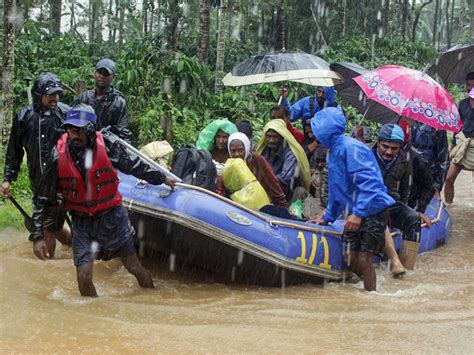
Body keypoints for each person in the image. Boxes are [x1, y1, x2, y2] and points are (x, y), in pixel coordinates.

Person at [30, 105, 177, 297]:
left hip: (112, 217)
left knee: (133, 267)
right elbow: (42, 197)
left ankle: (153, 296)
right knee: (83, 277)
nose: (75, 135)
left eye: (80, 130)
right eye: (71, 130)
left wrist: (162, 178)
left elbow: (134, 165)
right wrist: (37, 236)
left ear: (91, 129)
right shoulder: (57, 155)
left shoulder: (108, 146)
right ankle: (92, 317)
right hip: (82, 221)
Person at [310, 108, 395, 291]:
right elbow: (336, 188)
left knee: (365, 258)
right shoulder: (332, 151)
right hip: (354, 209)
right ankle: (369, 285)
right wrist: (328, 216)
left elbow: (370, 185)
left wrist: (358, 214)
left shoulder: (352, 148)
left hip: (372, 209)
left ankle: (371, 295)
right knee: (349, 258)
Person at [1, 72, 71, 256]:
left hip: (62, 184)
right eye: (51, 94)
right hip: (37, 182)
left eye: (58, 94)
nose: (55, 98)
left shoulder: (66, 114)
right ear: (40, 94)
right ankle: (78, 246)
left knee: (47, 230)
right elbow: (14, 152)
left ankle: (48, 271)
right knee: (53, 226)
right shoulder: (23, 117)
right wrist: (8, 178)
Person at [372, 124, 421, 270]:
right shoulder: (367, 154)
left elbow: (407, 188)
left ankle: (407, 265)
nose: (388, 152)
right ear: (378, 142)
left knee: (413, 218)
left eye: (394, 148)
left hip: (392, 203)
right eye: (385, 146)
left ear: (400, 147)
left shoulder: (405, 159)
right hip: (370, 203)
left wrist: (403, 208)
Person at [72, 58, 131, 142]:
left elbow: (123, 131)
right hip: (85, 144)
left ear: (113, 77)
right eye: (99, 73)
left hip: (108, 147)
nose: (102, 76)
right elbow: (73, 122)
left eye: (106, 74)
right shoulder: (84, 97)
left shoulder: (118, 102)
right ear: (94, 73)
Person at [227, 132, 288, 208]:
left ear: (246, 148)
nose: (237, 154)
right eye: (233, 151)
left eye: (241, 150)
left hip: (260, 205)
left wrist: (283, 205)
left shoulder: (257, 160)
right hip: (237, 205)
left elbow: (272, 183)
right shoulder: (229, 164)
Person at [255, 119, 311, 198]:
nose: (271, 140)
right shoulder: (263, 151)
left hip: (286, 193)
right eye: (268, 136)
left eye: (275, 137)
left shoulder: (290, 153)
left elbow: (284, 179)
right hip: (266, 189)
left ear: (282, 137)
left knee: (300, 191)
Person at [444, 72, 474, 203]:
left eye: (473, 85)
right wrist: (452, 146)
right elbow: (457, 127)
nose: (470, 88)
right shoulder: (462, 104)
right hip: (462, 143)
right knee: (449, 179)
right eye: (468, 85)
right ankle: (449, 206)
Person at [410, 123, 449, 200]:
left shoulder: (438, 129)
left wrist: (437, 187)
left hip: (431, 173)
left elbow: (444, 160)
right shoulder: (408, 123)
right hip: (412, 171)